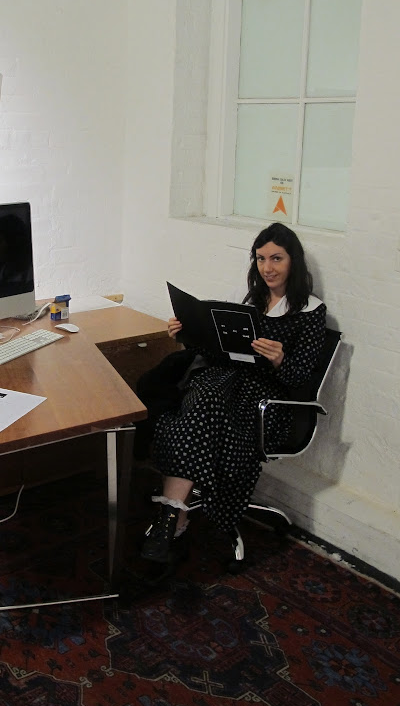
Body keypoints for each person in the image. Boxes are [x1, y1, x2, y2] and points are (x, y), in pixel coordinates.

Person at [138, 222, 326, 563]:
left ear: (293, 262)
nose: (267, 268)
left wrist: (280, 359)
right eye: (261, 259)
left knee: (197, 409)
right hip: (227, 383)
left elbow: (300, 380)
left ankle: (171, 518)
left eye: (277, 258)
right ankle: (173, 516)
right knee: (187, 409)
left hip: (267, 400)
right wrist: (188, 333)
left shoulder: (310, 312)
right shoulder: (254, 301)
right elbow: (222, 352)